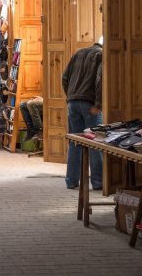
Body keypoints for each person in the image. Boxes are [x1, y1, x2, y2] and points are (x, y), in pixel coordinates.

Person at [62, 42, 103, 190]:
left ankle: (71, 181)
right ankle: (98, 183)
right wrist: (98, 104)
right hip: (90, 103)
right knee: (96, 143)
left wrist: (70, 97)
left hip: (72, 103)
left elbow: (64, 77)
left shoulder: (78, 53)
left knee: (75, 142)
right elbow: (100, 80)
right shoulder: (101, 55)